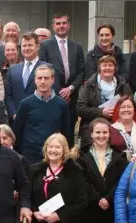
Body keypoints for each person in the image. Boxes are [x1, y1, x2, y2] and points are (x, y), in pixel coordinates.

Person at [25, 133, 87, 223]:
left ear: (64, 150)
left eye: (57, 147)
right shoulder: (35, 170)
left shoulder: (74, 172)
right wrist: (34, 212)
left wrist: (59, 216)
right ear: (45, 149)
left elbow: (82, 202)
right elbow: (29, 196)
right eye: (50, 147)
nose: (53, 150)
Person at [74, 119, 129, 223]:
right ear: (91, 134)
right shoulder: (81, 155)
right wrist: (98, 198)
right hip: (90, 207)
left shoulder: (119, 156)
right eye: (97, 132)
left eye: (105, 132)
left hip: (110, 207)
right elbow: (81, 181)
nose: (101, 135)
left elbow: (121, 181)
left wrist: (108, 199)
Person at [39, 13, 86, 145]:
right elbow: (44, 71)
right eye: (58, 23)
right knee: (52, 132)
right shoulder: (45, 46)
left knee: (69, 133)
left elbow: (82, 72)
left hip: (72, 98)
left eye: (64, 23)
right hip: (53, 96)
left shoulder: (77, 47)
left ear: (69, 25)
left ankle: (68, 162)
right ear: (53, 26)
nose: (61, 26)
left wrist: (70, 89)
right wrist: (60, 92)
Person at [13, 64, 72, 166]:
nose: (43, 81)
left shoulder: (62, 104)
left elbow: (67, 133)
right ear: (35, 80)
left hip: (54, 157)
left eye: (46, 78)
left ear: (52, 80)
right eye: (40, 78)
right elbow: (18, 132)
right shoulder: (25, 104)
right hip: (30, 158)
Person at [77, 55, 132, 147]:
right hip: (92, 128)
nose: (108, 68)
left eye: (110, 65)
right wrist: (101, 112)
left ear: (115, 68)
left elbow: (131, 106)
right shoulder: (88, 85)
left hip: (118, 126)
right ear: (99, 68)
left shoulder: (123, 85)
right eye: (104, 65)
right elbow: (80, 108)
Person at [5, 32, 61, 119]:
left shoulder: (49, 68)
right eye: (24, 46)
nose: (27, 48)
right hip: (16, 120)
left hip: (40, 119)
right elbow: (8, 96)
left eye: (30, 45)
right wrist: (13, 114)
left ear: (37, 46)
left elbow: (53, 95)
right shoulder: (12, 70)